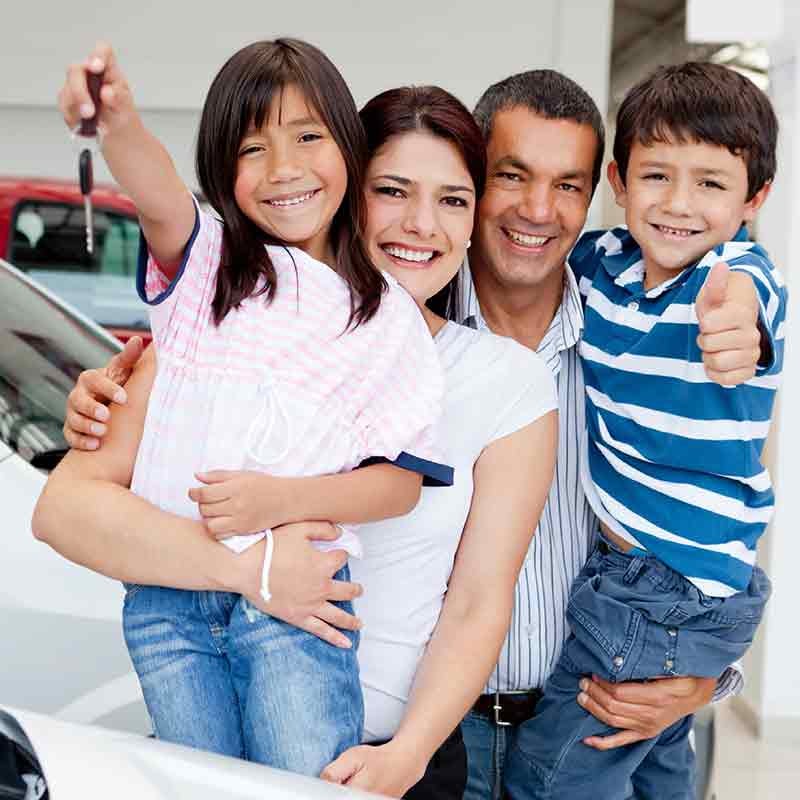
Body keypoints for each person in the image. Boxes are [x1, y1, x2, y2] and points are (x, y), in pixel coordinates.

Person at [35, 79, 559, 797]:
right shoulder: (229, 328)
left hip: (384, 763)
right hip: (218, 737)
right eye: (393, 191)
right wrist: (251, 573)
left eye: (452, 201)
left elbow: (478, 601)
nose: (421, 225)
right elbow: (64, 511)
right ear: (345, 188)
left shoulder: (506, 381)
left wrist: (407, 754)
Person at [457, 69, 769, 800]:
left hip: (612, 709)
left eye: (567, 185)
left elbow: (744, 286)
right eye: (512, 175)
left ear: (594, 189)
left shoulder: (647, 328)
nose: (539, 209)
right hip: (445, 737)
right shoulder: (410, 336)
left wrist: (704, 682)